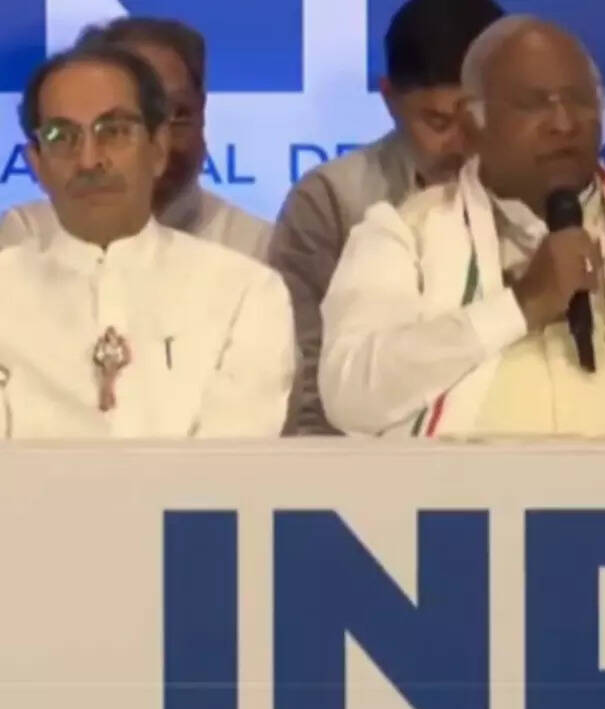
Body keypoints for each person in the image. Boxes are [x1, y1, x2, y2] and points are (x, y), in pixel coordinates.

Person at [319, 16, 605, 438]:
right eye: (534, 105)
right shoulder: (401, 236)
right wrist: (521, 304)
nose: (564, 123)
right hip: (465, 502)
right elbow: (350, 394)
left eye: (580, 101)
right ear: (471, 124)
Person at [0, 45, 294, 438]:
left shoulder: (246, 292)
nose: (89, 160)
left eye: (114, 131)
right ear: (36, 163)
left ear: (157, 149)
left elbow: (230, 461)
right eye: (61, 136)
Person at [269, 0, 504, 435]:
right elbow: (304, 383)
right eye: (437, 122)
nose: (460, 143)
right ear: (389, 98)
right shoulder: (331, 201)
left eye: (475, 119)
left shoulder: (544, 195)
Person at [0, 17, 271, 260]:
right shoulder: (26, 236)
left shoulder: (256, 248)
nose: (158, 139)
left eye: (178, 114)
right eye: (115, 128)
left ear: (202, 112)